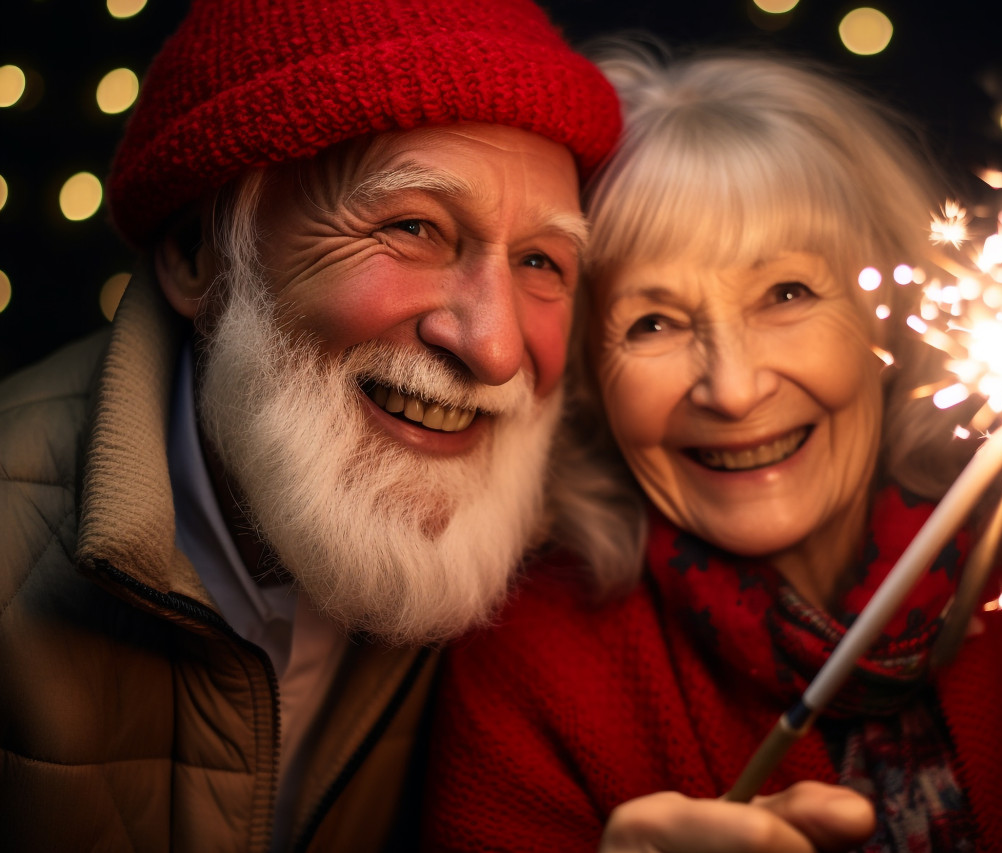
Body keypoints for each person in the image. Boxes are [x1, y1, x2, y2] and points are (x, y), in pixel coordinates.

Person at [421, 44, 1002, 851]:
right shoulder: (526, 657)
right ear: (582, 375)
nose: (733, 387)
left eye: (786, 292)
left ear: (888, 316)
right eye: (652, 322)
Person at [0, 0, 622, 849]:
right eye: (413, 227)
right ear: (200, 255)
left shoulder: (562, 572)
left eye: (542, 262)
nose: (497, 346)